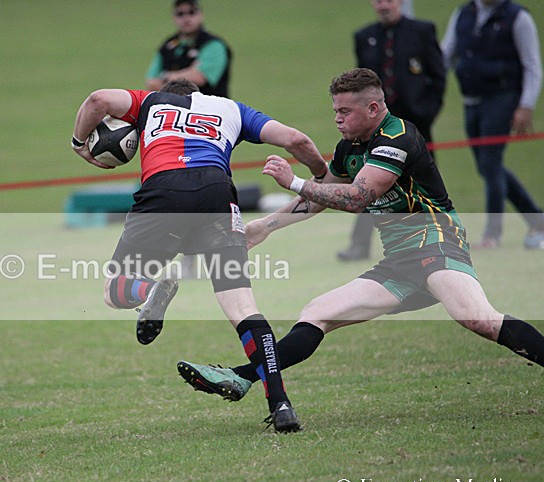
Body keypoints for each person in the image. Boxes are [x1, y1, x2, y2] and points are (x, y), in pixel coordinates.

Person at [176, 68, 544, 425]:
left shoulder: (398, 137)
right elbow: (323, 197)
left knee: (476, 318)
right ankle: (242, 377)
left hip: (435, 241)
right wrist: (264, 228)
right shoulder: (349, 147)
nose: (337, 119)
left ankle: (242, 375)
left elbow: (357, 197)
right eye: (335, 110)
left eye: (344, 111)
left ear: (373, 108)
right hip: (399, 260)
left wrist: (296, 182)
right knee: (318, 312)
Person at [71, 79, 328, 432]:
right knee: (243, 309)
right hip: (217, 196)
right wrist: (319, 175)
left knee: (116, 292)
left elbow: (97, 98)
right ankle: (280, 404)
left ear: (168, 93)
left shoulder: (149, 102)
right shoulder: (233, 109)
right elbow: (297, 140)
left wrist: (78, 144)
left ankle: (148, 292)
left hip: (164, 191)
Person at [338, 0, 446, 261]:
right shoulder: (364, 36)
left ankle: (440, 237)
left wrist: (426, 112)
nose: (383, 5)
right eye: (378, 0)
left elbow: (438, 75)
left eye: (389, 0)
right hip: (375, 126)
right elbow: (359, 84)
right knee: (366, 182)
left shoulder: (422, 30)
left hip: (415, 124)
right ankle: (359, 245)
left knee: (422, 182)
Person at [441, 0, 544, 250]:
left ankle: (492, 234)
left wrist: (526, 105)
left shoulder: (518, 17)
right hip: (470, 100)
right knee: (488, 166)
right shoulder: (463, 13)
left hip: (502, 98)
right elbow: (446, 54)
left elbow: (532, 65)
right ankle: (536, 217)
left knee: (490, 163)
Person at [145, 0, 231, 97]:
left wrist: (166, 76)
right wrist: (188, 72)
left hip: (209, 108)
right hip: (174, 108)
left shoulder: (213, 45)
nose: (186, 18)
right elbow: (151, 82)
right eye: (180, 14)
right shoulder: (167, 46)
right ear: (174, 17)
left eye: (191, 12)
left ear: (201, 15)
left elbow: (199, 77)